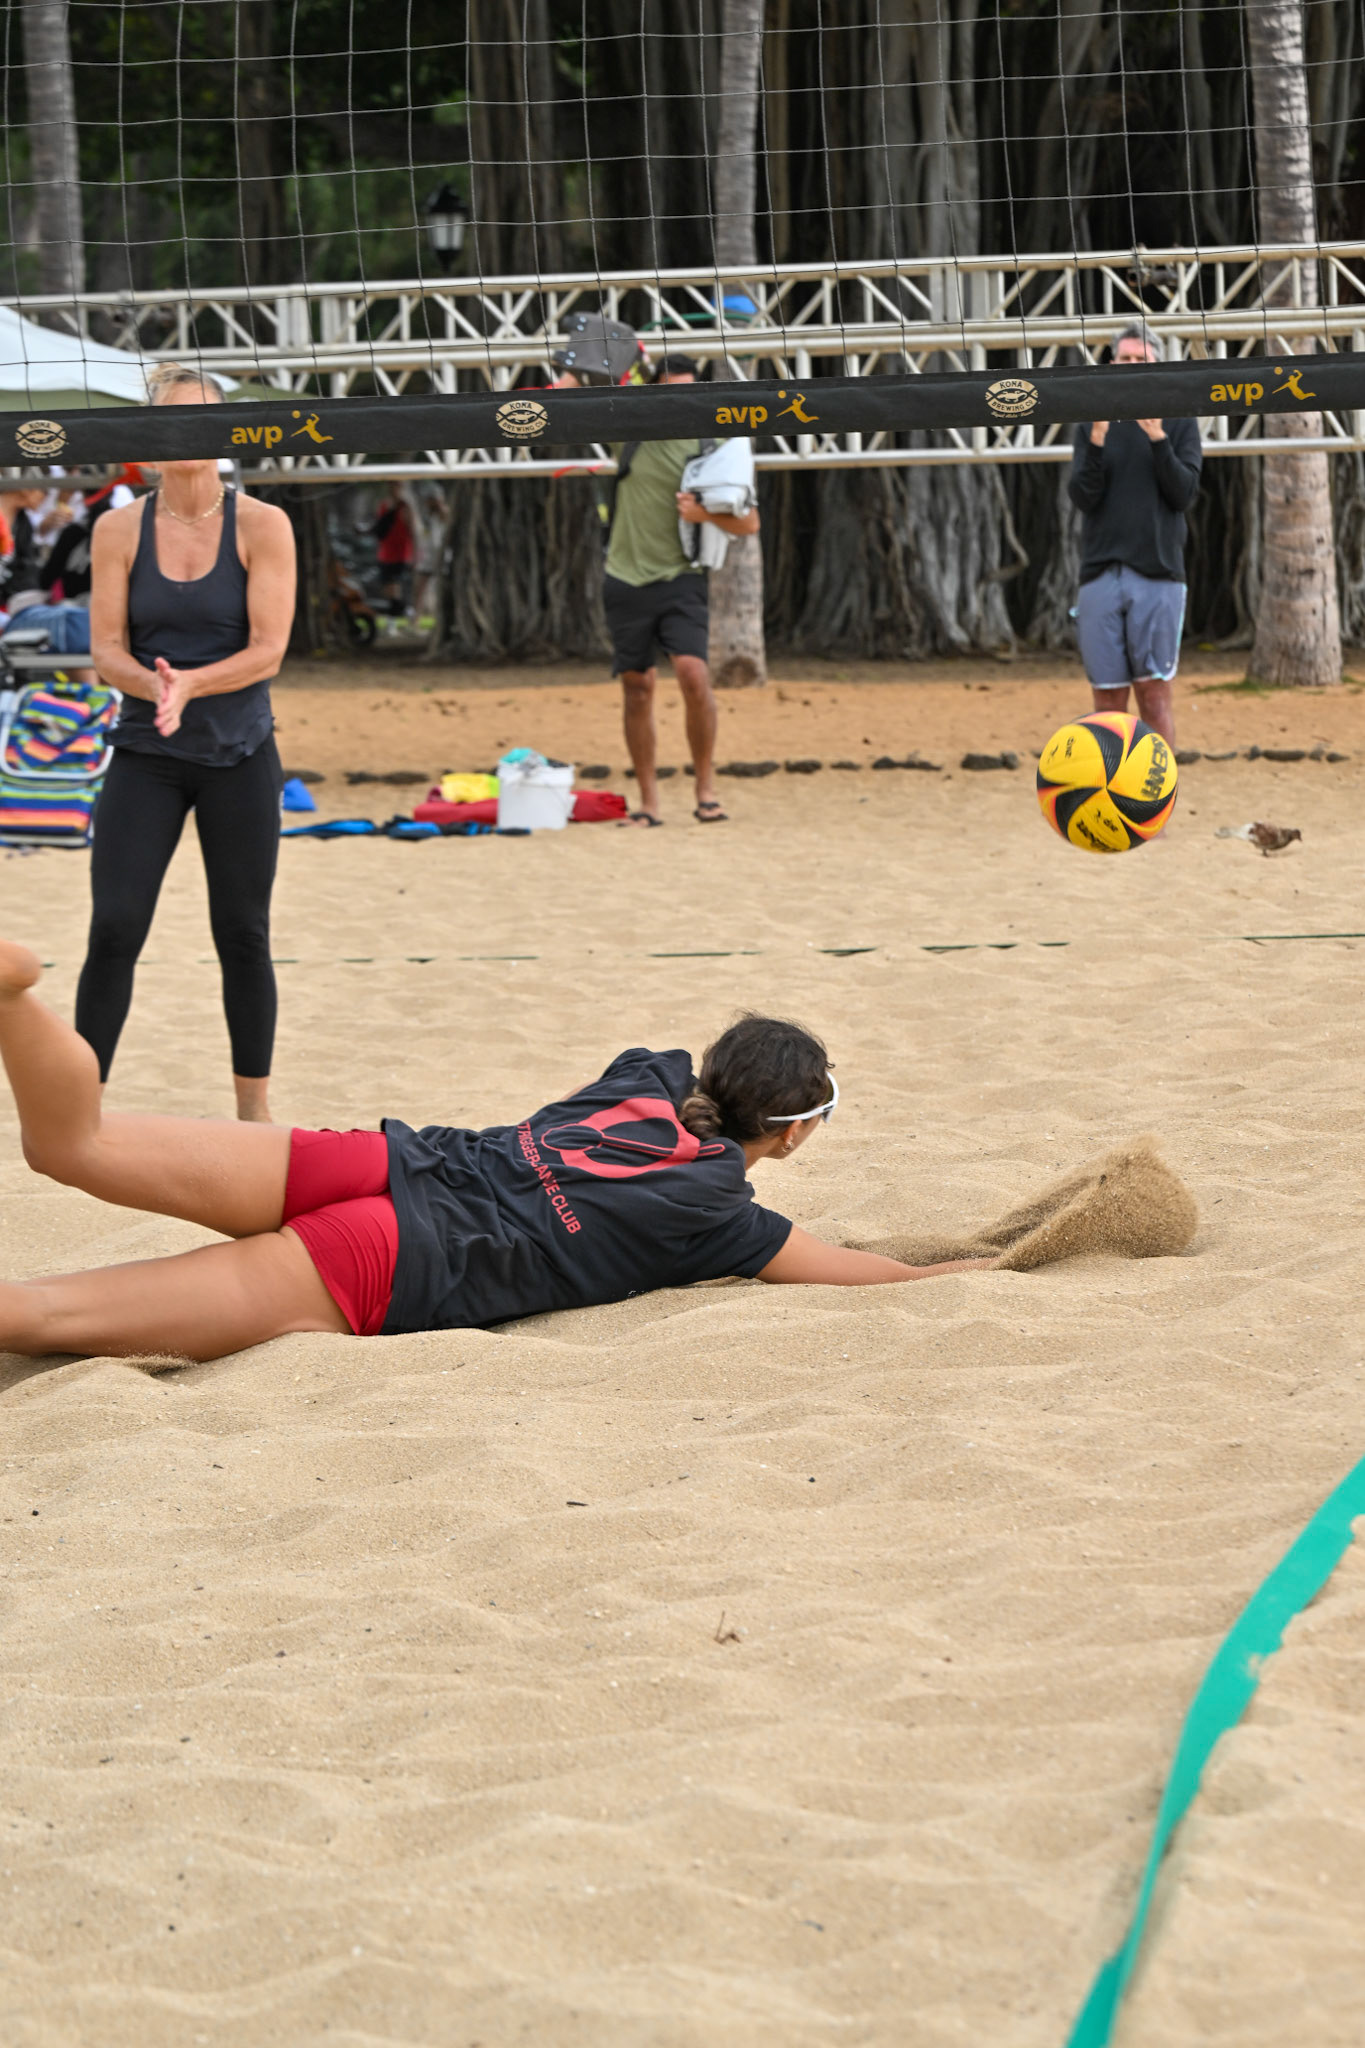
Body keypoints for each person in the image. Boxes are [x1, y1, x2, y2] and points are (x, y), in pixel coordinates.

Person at [0, 960, 991, 1362]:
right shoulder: (722, 1214)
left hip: (379, 1160)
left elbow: (680, 1072)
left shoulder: (646, 1074)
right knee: (49, 1313)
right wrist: (970, 1268)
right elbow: (863, 1276)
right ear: (795, 1132)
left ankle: (13, 999)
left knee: (74, 1142)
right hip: (391, 1257)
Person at [81, 362, 296, 1123]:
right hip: (147, 752)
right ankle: (81, 1101)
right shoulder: (116, 528)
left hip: (238, 751)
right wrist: (153, 688)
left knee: (242, 931)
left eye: (198, 422)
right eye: (168, 421)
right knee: (114, 927)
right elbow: (106, 649)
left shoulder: (262, 524)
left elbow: (270, 649)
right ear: (151, 434)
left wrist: (193, 685)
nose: (183, 437)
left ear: (223, 434)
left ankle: (253, 1113)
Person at [551, 345, 758, 828]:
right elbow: (574, 396)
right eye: (666, 393)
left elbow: (749, 523)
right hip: (624, 576)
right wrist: (571, 377)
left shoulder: (714, 444)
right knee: (637, 686)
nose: (675, 404)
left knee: (692, 674)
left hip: (681, 577)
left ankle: (705, 790)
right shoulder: (630, 429)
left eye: (684, 394)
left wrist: (703, 513)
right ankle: (649, 803)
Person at [1068, 322, 1202, 748]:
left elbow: (1183, 493)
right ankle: (1110, 798)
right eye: (1124, 358)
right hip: (1101, 573)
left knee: (1154, 695)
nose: (1131, 365)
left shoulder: (1179, 419)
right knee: (1107, 702)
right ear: (1110, 364)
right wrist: (1097, 440)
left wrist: (1158, 438)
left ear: (1156, 363)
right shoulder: (1092, 422)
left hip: (1158, 574)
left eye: (1140, 358)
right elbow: (1082, 496)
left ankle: (1158, 802)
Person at [373, 485, 416, 623]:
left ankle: (399, 615)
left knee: (395, 586)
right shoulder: (384, 506)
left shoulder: (405, 507)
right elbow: (379, 529)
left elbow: (412, 530)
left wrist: (414, 554)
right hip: (385, 553)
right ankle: (398, 614)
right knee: (388, 588)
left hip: (401, 554)